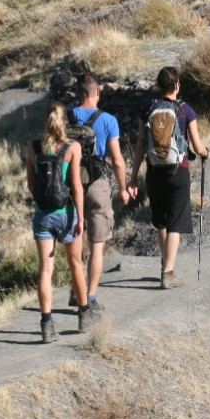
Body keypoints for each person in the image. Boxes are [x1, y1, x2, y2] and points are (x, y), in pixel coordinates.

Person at [128, 66, 210, 289]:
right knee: (176, 222)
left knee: (161, 222)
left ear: (159, 85)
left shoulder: (148, 110)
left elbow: (139, 147)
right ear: (177, 85)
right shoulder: (185, 111)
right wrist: (205, 153)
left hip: (154, 173)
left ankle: (166, 264)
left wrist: (133, 177)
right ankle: (168, 273)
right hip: (178, 171)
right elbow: (197, 145)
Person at [26, 102, 96, 341]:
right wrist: (81, 217)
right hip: (66, 212)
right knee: (75, 263)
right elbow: (76, 184)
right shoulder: (72, 147)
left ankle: (46, 325)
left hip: (42, 214)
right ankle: (84, 315)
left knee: (45, 270)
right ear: (65, 122)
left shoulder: (34, 148)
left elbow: (31, 185)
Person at [67, 73, 130, 311]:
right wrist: (123, 188)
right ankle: (89, 297)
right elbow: (117, 160)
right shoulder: (108, 120)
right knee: (97, 244)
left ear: (77, 92)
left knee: (75, 240)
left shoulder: (66, 118)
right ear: (98, 91)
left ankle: (76, 291)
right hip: (96, 184)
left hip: (69, 185)